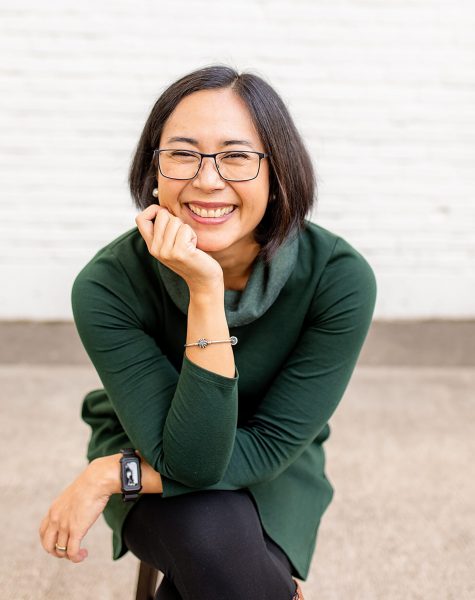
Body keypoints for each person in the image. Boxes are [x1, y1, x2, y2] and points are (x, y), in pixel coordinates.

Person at [38, 64, 377, 599]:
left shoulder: (338, 278)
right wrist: (204, 290)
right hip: (149, 443)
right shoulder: (107, 286)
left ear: (278, 172)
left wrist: (114, 475)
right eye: (183, 153)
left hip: (273, 461)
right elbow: (191, 461)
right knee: (211, 539)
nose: (207, 179)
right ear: (154, 169)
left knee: (212, 557)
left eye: (237, 156)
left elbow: (267, 446)